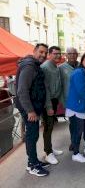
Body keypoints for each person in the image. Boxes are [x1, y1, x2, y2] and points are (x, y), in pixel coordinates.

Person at [15, 43, 49, 177]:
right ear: (34, 51)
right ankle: (32, 165)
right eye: (41, 52)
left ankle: (34, 161)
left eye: (45, 53)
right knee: (32, 135)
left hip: (33, 107)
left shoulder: (33, 65)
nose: (43, 55)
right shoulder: (29, 67)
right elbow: (22, 91)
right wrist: (30, 111)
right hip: (29, 108)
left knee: (33, 135)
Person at [41, 46, 63, 165]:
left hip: (53, 101)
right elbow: (46, 89)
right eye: (55, 54)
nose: (58, 56)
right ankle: (48, 153)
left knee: (51, 126)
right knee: (48, 127)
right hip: (47, 102)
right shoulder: (45, 67)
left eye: (59, 54)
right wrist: (49, 106)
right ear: (49, 54)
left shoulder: (55, 66)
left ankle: (49, 148)